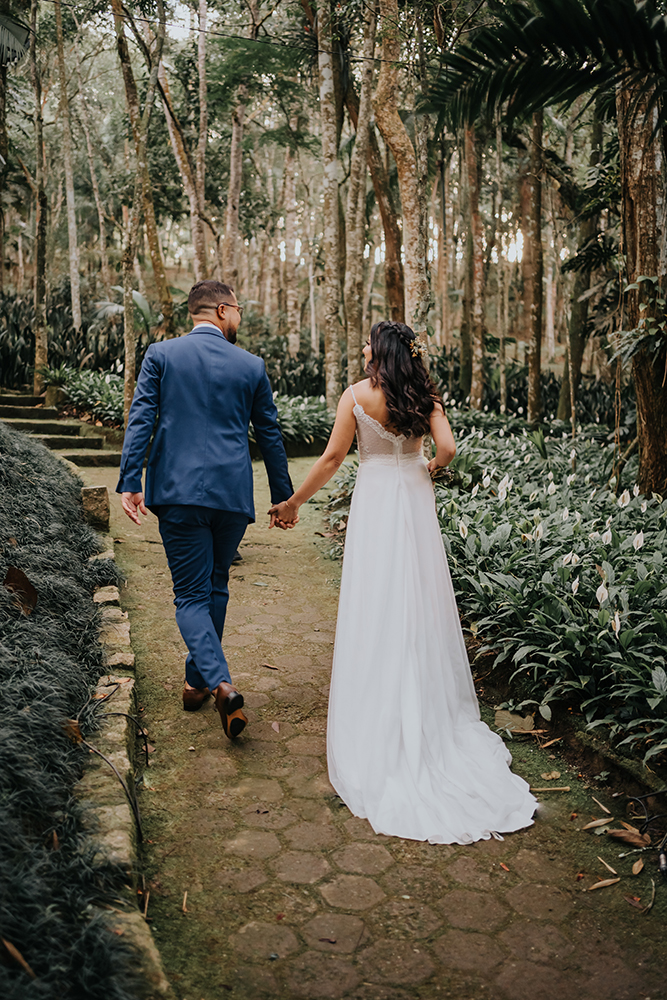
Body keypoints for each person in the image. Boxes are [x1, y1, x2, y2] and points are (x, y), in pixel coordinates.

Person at [269, 320, 536, 844]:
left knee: (377, 598)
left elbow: (330, 459)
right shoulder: (425, 394)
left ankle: (379, 712)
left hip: (375, 502)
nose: (363, 346)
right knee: (418, 597)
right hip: (413, 496)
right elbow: (450, 449)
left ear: (381, 350)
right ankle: (426, 710)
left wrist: (294, 503)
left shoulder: (356, 396)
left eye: (368, 340)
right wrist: (429, 466)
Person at [117, 280, 294, 740]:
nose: (240, 318)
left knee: (191, 595)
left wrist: (130, 480)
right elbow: (270, 435)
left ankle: (217, 683)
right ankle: (197, 683)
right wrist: (283, 497)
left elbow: (142, 418)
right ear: (220, 310)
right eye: (237, 310)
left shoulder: (161, 355)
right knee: (214, 585)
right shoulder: (251, 365)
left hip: (176, 492)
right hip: (231, 496)